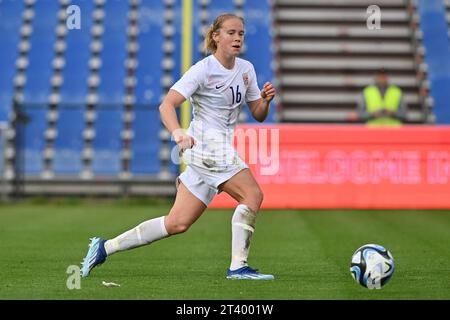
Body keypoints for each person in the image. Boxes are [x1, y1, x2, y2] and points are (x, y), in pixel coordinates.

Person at [80, 13, 276, 280]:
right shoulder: (202, 69)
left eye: (241, 33)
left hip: (215, 149)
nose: (237, 38)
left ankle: (104, 247)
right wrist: (178, 133)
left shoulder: (246, 69)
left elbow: (258, 112)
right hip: (206, 146)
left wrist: (265, 100)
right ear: (216, 36)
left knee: (177, 223)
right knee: (252, 196)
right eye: (231, 33)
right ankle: (238, 267)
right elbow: (166, 105)